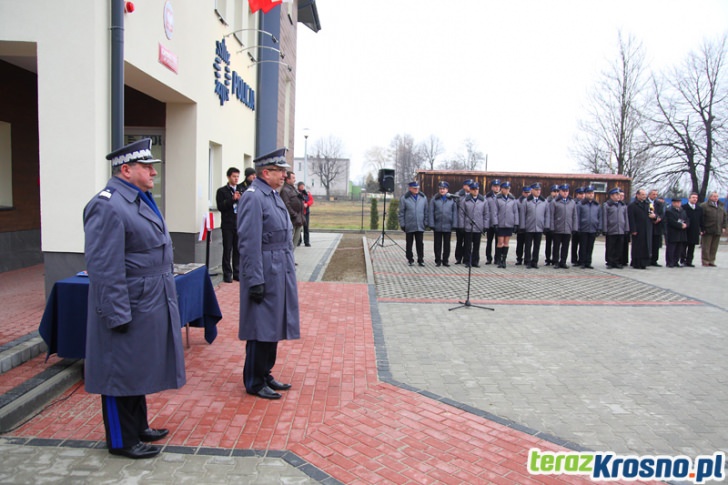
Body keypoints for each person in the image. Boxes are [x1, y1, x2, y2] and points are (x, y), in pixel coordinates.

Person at [83, 138, 185, 459]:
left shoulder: (136, 199)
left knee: (136, 367)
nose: (153, 172)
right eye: (147, 167)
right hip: (127, 302)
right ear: (126, 170)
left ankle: (138, 426)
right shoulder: (107, 204)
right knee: (118, 371)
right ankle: (121, 439)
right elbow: (104, 267)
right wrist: (116, 313)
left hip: (146, 298)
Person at [237, 148, 300, 400]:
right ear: (266, 172)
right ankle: (254, 380)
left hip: (278, 268)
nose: (284, 175)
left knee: (272, 327)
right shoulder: (254, 197)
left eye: (284, 171)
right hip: (264, 270)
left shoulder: (271, 195)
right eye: (280, 171)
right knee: (260, 328)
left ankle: (265, 373)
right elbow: (248, 242)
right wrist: (254, 280)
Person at [216, 167, 243, 283]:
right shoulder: (222, 191)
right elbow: (221, 207)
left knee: (238, 250)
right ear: (228, 177)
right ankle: (227, 274)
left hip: (238, 224)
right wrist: (232, 200)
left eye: (237, 176)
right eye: (234, 176)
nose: (236, 179)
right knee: (227, 249)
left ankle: (237, 273)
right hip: (227, 225)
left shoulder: (241, 189)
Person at [459, 181, 489, 267]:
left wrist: (485, 226)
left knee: (476, 246)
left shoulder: (483, 201)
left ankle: (475, 261)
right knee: (468, 246)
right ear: (470, 190)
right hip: (468, 226)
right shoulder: (465, 200)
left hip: (478, 226)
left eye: (476, 189)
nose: (475, 191)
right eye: (473, 189)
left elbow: (486, 214)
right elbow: (461, 214)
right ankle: (467, 261)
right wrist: (461, 226)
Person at [428, 181, 457, 266]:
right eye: (440, 189)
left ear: (447, 190)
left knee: (447, 244)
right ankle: (438, 260)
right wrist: (431, 224)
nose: (442, 190)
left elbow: (454, 213)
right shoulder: (434, 199)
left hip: (448, 225)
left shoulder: (452, 200)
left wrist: (454, 224)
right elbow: (431, 212)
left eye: (444, 189)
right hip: (437, 225)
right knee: (437, 244)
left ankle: (445, 260)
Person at [399, 181, 428, 266]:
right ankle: (410, 259)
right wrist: (402, 224)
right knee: (409, 243)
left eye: (417, 188)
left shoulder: (423, 197)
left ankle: (420, 259)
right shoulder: (404, 198)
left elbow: (426, 211)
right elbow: (401, 213)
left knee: (420, 243)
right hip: (409, 224)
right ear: (410, 188)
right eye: (414, 188)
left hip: (420, 225)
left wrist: (425, 222)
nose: (416, 190)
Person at [549, 184, 578, 269]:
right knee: (556, 246)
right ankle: (556, 262)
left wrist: (574, 227)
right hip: (558, 227)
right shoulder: (555, 202)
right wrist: (552, 227)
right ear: (560, 191)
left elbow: (574, 216)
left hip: (568, 228)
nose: (565, 193)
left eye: (567, 191)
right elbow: (551, 216)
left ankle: (563, 261)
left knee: (565, 246)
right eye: (563, 191)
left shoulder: (572, 202)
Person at [522, 183, 550, 269]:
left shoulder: (544, 201)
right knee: (528, 245)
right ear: (532, 190)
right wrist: (522, 226)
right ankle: (528, 261)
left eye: (539, 190)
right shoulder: (526, 201)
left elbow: (547, 215)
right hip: (529, 227)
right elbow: (523, 215)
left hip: (539, 227)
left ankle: (535, 261)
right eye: (536, 190)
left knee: (537, 246)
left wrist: (546, 226)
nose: (538, 191)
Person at [493, 181, 519, 268]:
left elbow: (515, 212)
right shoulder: (497, 198)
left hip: (509, 223)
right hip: (500, 223)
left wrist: (516, 224)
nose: (507, 190)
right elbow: (495, 212)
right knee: (500, 242)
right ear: (502, 189)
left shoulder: (513, 199)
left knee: (506, 243)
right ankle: (499, 260)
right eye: (505, 189)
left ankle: (504, 260)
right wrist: (495, 223)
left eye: (508, 189)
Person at [602, 187, 628, 269]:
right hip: (611, 229)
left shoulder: (623, 205)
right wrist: (605, 229)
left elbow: (626, 218)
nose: (618, 196)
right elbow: (605, 218)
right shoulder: (607, 205)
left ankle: (617, 262)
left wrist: (626, 228)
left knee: (619, 247)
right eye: (616, 195)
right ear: (611, 196)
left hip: (620, 229)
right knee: (610, 247)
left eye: (619, 195)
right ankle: (610, 262)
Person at [627, 189, 654, 269]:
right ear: (637, 195)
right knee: (637, 246)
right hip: (638, 229)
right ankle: (636, 262)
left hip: (647, 228)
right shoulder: (633, 205)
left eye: (645, 194)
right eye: (642, 194)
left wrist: (654, 217)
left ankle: (645, 262)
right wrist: (633, 230)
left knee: (646, 246)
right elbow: (631, 218)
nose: (644, 196)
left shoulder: (648, 204)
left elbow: (651, 214)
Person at [700, 191, 727, 266]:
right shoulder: (704, 206)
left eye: (717, 196)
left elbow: (724, 217)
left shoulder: (720, 206)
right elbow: (701, 218)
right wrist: (702, 228)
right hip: (708, 229)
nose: (716, 198)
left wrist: (724, 227)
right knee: (706, 246)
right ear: (710, 197)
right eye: (714, 196)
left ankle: (712, 261)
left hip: (718, 229)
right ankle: (705, 261)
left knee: (714, 247)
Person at [280, 171, 305, 251]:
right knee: (289, 242)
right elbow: (286, 205)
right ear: (287, 179)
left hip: (298, 219)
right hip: (292, 220)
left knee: (295, 242)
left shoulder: (293, 189)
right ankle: (288, 260)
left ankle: (291, 259)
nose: (295, 180)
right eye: (293, 178)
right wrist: (294, 215)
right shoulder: (285, 190)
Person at [577, 186, 601, 269]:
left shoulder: (597, 204)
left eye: (592, 193)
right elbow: (578, 216)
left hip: (593, 228)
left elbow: (599, 217)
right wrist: (578, 228)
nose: (591, 195)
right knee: (583, 246)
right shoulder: (581, 204)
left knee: (590, 246)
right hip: (583, 228)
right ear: (586, 194)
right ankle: (582, 262)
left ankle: (588, 262)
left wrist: (599, 228)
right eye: (589, 193)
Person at [453, 179, 472, 264]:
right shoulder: (458, 195)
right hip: (459, 222)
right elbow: (455, 209)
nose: (470, 187)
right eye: (468, 185)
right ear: (464, 186)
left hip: (469, 222)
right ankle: (458, 257)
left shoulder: (473, 195)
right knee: (459, 241)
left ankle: (466, 258)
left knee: (468, 242)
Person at [680, 193, 702, 267]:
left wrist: (702, 229)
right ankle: (682, 259)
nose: (695, 199)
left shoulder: (699, 209)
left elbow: (701, 220)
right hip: (685, 230)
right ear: (689, 198)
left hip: (695, 230)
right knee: (683, 246)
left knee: (692, 247)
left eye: (696, 198)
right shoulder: (684, 207)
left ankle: (689, 261)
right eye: (693, 197)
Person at [664, 197, 688, 267]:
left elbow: (686, 219)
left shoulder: (682, 210)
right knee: (671, 248)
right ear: (673, 203)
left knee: (679, 248)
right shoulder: (669, 211)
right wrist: (680, 225)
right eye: (677, 202)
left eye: (679, 202)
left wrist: (686, 224)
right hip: (673, 232)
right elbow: (671, 221)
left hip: (681, 232)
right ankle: (670, 262)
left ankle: (675, 261)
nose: (678, 204)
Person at [484, 179, 501, 264]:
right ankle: (488, 258)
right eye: (495, 186)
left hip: (499, 223)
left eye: (498, 186)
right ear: (492, 187)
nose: (497, 188)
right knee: (489, 241)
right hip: (490, 223)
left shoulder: (502, 196)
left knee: (498, 242)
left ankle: (497, 258)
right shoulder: (487, 197)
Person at [647, 189, 665, 266]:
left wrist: (658, 218)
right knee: (648, 243)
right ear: (649, 195)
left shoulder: (659, 203)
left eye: (656, 194)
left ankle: (654, 260)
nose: (655, 196)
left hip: (657, 226)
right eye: (653, 194)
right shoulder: (646, 202)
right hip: (648, 225)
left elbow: (662, 213)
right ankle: (647, 259)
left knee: (656, 244)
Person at [514, 186, 531, 265]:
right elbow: (516, 214)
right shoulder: (518, 202)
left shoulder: (531, 201)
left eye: (528, 192)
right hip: (520, 226)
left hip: (529, 226)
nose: (527, 194)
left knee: (528, 244)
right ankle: (519, 258)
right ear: (522, 193)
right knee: (520, 244)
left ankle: (527, 259)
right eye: (525, 192)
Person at [544, 185, 559, 265]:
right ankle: (547, 259)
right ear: (551, 192)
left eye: (557, 192)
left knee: (556, 245)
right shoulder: (547, 201)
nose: (556, 193)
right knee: (548, 244)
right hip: (548, 226)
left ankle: (555, 259)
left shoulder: (559, 201)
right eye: (554, 192)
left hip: (557, 226)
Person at [571, 187, 586, 265]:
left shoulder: (585, 203)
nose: (583, 195)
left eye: (583, 194)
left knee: (582, 245)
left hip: (582, 227)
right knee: (574, 244)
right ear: (577, 194)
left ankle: (581, 259)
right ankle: (574, 259)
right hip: (575, 226)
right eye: (581, 194)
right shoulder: (573, 202)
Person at [297, 182, 313, 247]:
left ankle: (307, 241)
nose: (302, 187)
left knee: (306, 227)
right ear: (298, 187)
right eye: (301, 186)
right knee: (298, 227)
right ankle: (298, 241)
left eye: (303, 186)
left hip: (306, 213)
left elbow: (311, 200)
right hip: (299, 213)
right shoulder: (296, 193)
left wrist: (307, 204)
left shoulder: (307, 193)